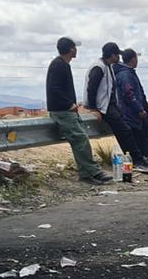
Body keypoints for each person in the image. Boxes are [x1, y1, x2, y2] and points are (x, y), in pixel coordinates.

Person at [46, 37, 111, 185]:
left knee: (79, 141)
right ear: (71, 50)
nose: (76, 50)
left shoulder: (62, 65)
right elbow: (53, 88)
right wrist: (68, 104)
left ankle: (86, 173)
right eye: (75, 47)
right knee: (80, 140)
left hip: (67, 111)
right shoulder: (59, 65)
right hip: (62, 112)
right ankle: (92, 172)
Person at [85, 42, 140, 172]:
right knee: (124, 130)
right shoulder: (98, 68)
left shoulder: (107, 66)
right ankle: (135, 160)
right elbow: (91, 89)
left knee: (125, 130)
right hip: (103, 107)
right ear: (112, 55)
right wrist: (93, 108)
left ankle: (135, 158)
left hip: (109, 105)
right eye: (117, 55)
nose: (119, 58)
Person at [113, 49, 148, 171]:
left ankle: (143, 160)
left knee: (142, 135)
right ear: (133, 59)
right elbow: (129, 94)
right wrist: (139, 109)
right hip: (131, 113)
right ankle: (142, 160)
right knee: (147, 134)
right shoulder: (126, 74)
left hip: (132, 112)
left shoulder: (127, 72)